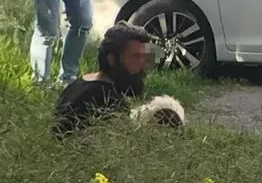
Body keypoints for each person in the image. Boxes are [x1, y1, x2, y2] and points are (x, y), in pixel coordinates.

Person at [53, 21, 184, 137]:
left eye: (144, 57)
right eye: (136, 57)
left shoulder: (79, 83)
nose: (143, 65)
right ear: (112, 59)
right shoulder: (110, 102)